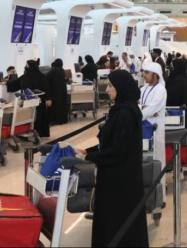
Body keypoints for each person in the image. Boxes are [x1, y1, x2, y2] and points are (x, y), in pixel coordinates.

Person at [79, 70, 148, 248]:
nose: (107, 89)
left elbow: (118, 150)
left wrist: (91, 156)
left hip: (120, 182)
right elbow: (111, 142)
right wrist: (88, 151)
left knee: (118, 225)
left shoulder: (126, 114)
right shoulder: (121, 110)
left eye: (111, 86)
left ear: (121, 88)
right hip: (118, 177)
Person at [3, 60, 52, 137]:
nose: (25, 66)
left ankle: (36, 132)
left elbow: (46, 88)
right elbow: (17, 82)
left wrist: (48, 99)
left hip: (31, 102)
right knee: (33, 117)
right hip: (34, 102)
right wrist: (6, 83)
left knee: (34, 116)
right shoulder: (30, 75)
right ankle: (36, 132)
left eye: (26, 65)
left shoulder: (36, 76)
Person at [140, 63, 167, 202]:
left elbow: (151, 109)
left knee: (157, 161)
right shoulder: (143, 88)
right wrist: (143, 108)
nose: (144, 75)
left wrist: (144, 109)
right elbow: (140, 106)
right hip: (143, 128)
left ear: (155, 74)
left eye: (147, 72)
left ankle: (158, 198)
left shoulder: (160, 90)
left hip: (156, 131)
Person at [166, 59, 187, 130]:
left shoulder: (176, 80)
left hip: (174, 113)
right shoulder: (180, 80)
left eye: (173, 66)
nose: (171, 68)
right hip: (175, 113)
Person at [46, 59, 68, 125]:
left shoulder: (54, 70)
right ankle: (62, 120)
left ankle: (55, 120)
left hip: (55, 90)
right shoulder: (62, 70)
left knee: (56, 106)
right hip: (63, 90)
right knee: (62, 106)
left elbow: (47, 77)